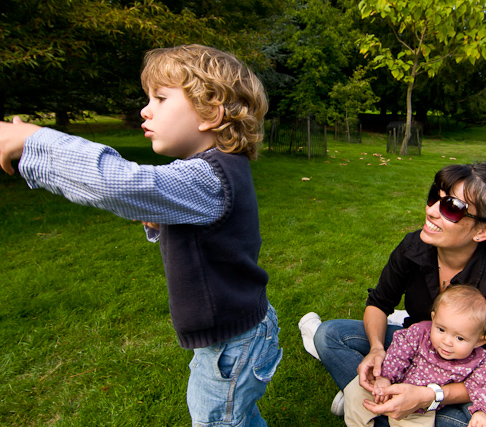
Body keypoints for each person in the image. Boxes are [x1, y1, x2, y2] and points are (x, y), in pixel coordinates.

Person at [0, 44, 282, 427]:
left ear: (211, 112)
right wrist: (162, 221)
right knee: (237, 417)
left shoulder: (209, 176)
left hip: (231, 345)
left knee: (219, 421)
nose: (145, 110)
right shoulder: (214, 169)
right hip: (237, 334)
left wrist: (34, 140)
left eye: (161, 99)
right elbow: (214, 233)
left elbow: (117, 183)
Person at [309, 162, 486, 427]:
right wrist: (378, 350)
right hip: (415, 350)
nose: (430, 211)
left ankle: (372, 402)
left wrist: (429, 396)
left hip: (469, 374)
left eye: (451, 208)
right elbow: (379, 304)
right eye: (433, 197)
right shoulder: (413, 247)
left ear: (483, 230)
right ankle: (386, 399)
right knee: (329, 334)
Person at [344, 285, 486, 427]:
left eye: (460, 338)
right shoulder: (420, 333)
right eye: (441, 329)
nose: (446, 341)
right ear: (433, 318)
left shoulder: (481, 362)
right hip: (390, 385)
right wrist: (385, 377)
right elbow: (398, 352)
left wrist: (484, 413)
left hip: (420, 408)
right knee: (356, 393)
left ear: (479, 341)